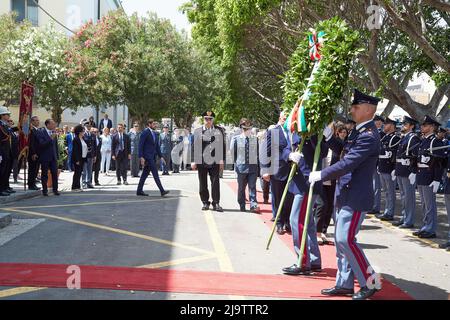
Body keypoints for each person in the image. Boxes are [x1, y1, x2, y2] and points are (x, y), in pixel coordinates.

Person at [308, 89, 382, 300]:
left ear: (368, 110)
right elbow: (343, 150)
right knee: (341, 244)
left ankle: (371, 282)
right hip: (344, 193)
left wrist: (321, 174)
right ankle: (344, 283)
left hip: (355, 196)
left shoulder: (368, 136)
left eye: (356, 107)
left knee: (345, 239)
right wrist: (329, 137)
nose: (352, 109)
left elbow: (349, 162)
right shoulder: (358, 131)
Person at [282, 130, 328, 275]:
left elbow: (323, 152)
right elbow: (285, 147)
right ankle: (314, 261)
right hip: (299, 181)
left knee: (296, 220)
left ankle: (302, 261)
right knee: (308, 224)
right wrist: (289, 155)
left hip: (307, 183)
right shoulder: (294, 129)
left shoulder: (315, 131)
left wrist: (321, 136)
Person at [412, 115, 446, 239]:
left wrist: (437, 179)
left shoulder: (435, 141)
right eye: (422, 125)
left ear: (432, 127)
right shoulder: (424, 141)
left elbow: (439, 163)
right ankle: (425, 226)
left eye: (425, 125)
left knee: (430, 204)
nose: (422, 127)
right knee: (424, 204)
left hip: (429, 176)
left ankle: (430, 229)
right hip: (422, 175)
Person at [260, 111, 294, 234]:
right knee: (278, 198)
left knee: (289, 199)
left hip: (292, 171)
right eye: (284, 117)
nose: (285, 119)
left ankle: (287, 221)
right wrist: (265, 170)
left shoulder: (293, 132)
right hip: (277, 170)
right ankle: (279, 222)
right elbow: (266, 151)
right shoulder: (273, 132)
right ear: (280, 118)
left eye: (287, 117)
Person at [191, 111, 226, 212]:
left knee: (215, 182)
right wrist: (193, 160)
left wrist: (221, 160)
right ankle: (205, 202)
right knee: (203, 183)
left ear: (213, 120)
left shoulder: (219, 130)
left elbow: (222, 146)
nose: (208, 121)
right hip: (202, 161)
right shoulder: (198, 131)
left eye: (210, 119)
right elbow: (194, 147)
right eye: (206, 119)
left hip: (215, 161)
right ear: (203, 119)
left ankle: (216, 203)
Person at [392, 116, 421, 229]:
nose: (403, 125)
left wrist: (414, 171)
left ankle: (409, 220)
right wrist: (396, 168)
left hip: (408, 171)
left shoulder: (413, 138)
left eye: (405, 124)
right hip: (401, 169)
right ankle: (404, 217)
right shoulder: (404, 137)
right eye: (403, 124)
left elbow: (415, 156)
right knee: (404, 196)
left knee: (409, 197)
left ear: (411, 126)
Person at [231, 118, 260, 213]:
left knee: (252, 186)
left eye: (248, 128)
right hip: (241, 167)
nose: (247, 130)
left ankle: (253, 205)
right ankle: (242, 204)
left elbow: (257, 153)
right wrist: (236, 164)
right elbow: (233, 153)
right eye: (245, 128)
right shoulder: (236, 139)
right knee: (241, 187)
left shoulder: (254, 139)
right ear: (241, 128)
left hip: (252, 167)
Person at [376, 117, 401, 221]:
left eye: (386, 124)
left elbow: (395, 155)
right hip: (382, 167)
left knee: (390, 192)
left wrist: (394, 169)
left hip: (389, 169)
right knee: (386, 191)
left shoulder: (395, 138)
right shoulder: (385, 137)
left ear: (391, 126)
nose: (384, 126)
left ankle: (390, 212)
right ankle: (387, 210)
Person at [137, 119, 169, 197]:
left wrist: (161, 156)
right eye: (154, 124)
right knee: (155, 174)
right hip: (147, 157)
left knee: (144, 174)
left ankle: (139, 190)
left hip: (152, 156)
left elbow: (157, 146)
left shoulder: (154, 133)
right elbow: (140, 145)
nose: (155, 125)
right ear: (149, 124)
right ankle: (162, 191)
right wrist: (141, 157)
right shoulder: (145, 132)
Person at [36, 119, 60, 196]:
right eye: (53, 124)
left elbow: (55, 146)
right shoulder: (41, 132)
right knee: (44, 174)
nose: (54, 125)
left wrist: (57, 156)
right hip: (45, 157)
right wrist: (50, 138)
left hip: (53, 157)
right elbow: (41, 144)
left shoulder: (53, 132)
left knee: (54, 174)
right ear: (48, 125)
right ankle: (45, 190)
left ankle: (55, 190)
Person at [369, 115, 385, 216]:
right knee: (372, 185)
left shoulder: (381, 134)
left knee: (376, 186)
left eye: (377, 122)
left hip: (377, 162)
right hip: (371, 162)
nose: (376, 123)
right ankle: (372, 205)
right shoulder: (372, 132)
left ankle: (376, 206)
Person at [0, 106, 14, 197]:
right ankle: (1, 189)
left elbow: (10, 131)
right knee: (1, 171)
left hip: (6, 151)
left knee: (5, 171)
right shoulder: (1, 125)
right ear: (2, 115)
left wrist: (22, 126)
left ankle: (4, 187)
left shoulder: (4, 124)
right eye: (7, 114)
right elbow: (4, 137)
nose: (8, 116)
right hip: (2, 151)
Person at [81, 119, 97, 189]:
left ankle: (89, 182)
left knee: (90, 169)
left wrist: (95, 155)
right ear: (84, 126)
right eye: (87, 125)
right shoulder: (83, 134)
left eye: (90, 125)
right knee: (84, 170)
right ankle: (84, 182)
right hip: (84, 154)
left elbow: (95, 146)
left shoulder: (93, 135)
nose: (89, 127)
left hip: (91, 154)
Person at [71, 125, 87, 191]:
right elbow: (75, 151)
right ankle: (74, 187)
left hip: (83, 158)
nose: (84, 132)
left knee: (79, 172)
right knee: (77, 173)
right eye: (83, 131)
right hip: (78, 159)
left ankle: (78, 186)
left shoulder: (82, 139)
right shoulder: (76, 139)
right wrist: (77, 160)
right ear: (80, 132)